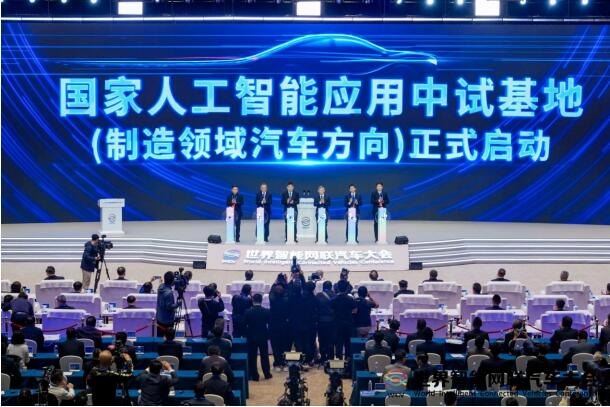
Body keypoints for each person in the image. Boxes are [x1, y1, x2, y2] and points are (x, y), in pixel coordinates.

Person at [244, 293, 272, 380]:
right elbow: (269, 323)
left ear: (253, 300)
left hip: (251, 335)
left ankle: (254, 375)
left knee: (252, 356)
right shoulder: (266, 311)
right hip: (263, 335)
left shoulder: (248, 311)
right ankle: (267, 373)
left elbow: (245, 323)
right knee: (264, 355)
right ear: (261, 300)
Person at [290, 281, 319, 365]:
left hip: (297, 324)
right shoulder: (314, 299)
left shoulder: (294, 299)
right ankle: (308, 360)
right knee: (308, 343)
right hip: (309, 324)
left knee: (299, 343)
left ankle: (300, 360)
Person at [331, 279, 357, 360]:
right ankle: (348, 360)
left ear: (338, 288)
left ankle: (339, 360)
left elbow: (331, 310)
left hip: (337, 323)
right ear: (347, 288)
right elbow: (355, 311)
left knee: (339, 343)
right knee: (348, 343)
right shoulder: (350, 299)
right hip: (348, 323)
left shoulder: (334, 299)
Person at [269, 275, 290, 371]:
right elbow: (288, 291)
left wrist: (275, 282)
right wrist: (285, 283)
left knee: (275, 344)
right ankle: (284, 363)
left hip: (274, 325)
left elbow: (271, 291)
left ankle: (277, 363)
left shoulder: (272, 299)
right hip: (285, 325)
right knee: (285, 344)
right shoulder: (286, 300)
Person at [316, 281, 336, 363]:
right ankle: (331, 357)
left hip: (321, 321)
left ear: (323, 287)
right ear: (331, 287)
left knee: (322, 340)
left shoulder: (319, 295)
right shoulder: (335, 295)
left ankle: (323, 357)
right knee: (331, 340)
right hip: (332, 321)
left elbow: (316, 308)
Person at [156, 271, 181, 337]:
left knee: (160, 337)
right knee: (169, 337)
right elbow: (169, 307)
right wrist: (177, 304)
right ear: (172, 281)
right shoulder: (169, 293)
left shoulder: (160, 286)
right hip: (167, 320)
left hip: (159, 317)